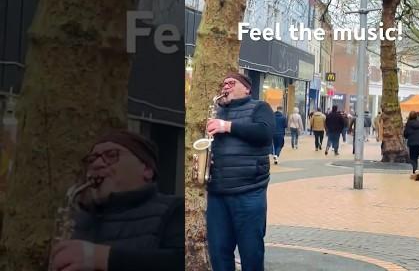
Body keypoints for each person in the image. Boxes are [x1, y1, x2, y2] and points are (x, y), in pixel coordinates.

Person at [50, 130, 184, 271]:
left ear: (147, 169)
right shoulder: (78, 219)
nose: (96, 164)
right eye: (91, 159)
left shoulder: (175, 209)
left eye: (111, 155)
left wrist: (100, 258)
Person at [205, 71, 275, 271]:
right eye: (224, 83)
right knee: (218, 252)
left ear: (246, 88)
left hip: (249, 191)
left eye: (231, 83)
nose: (225, 86)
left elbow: (265, 133)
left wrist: (227, 126)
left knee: (251, 252)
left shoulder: (260, 107)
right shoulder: (216, 111)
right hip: (218, 192)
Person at [403, 111, 419, 181]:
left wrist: (408, 135)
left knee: (412, 158)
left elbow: (405, 134)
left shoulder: (409, 124)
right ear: (417, 116)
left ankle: (415, 171)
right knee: (416, 157)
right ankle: (415, 173)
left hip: (412, 143)